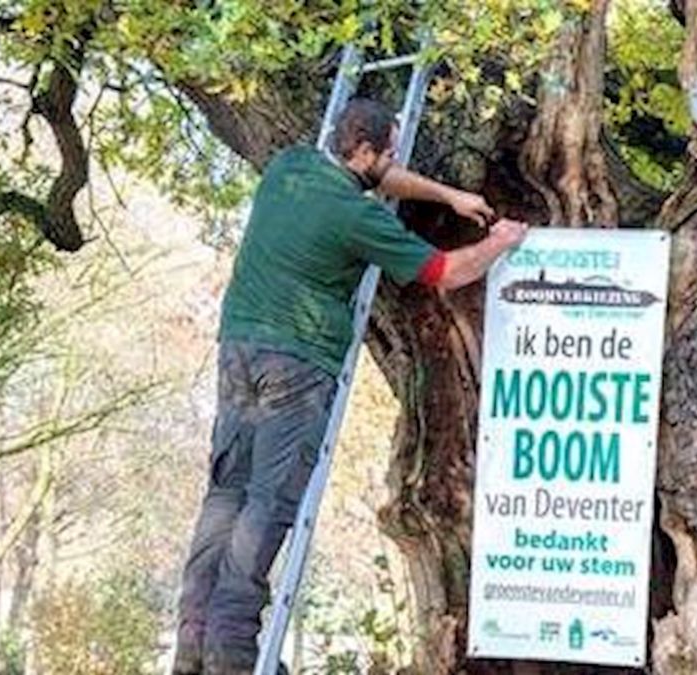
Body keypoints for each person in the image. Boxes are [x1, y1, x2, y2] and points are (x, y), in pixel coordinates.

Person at [172, 97, 528, 675]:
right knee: (268, 503)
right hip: (298, 366)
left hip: (238, 352)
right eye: (386, 151)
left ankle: (192, 647)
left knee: (225, 496)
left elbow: (382, 175)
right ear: (364, 149)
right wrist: (502, 241)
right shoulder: (359, 218)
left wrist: (450, 196)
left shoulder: (289, 165)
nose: (390, 161)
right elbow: (446, 272)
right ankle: (232, 656)